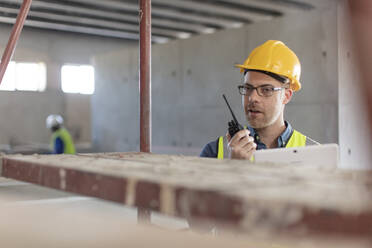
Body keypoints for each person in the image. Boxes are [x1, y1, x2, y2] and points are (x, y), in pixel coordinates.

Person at [200, 40, 319, 160]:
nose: (252, 98)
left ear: (286, 96)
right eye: (248, 88)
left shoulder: (315, 153)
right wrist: (234, 167)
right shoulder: (214, 152)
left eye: (266, 90)